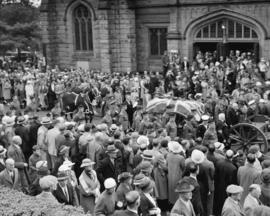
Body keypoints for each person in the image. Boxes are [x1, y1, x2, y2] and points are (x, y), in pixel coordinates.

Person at [213, 150, 238, 216]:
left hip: (217, 186)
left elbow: (215, 175)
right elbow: (233, 182)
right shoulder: (233, 168)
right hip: (226, 189)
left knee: (217, 202)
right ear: (232, 157)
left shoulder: (218, 162)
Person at [167, 141, 185, 205]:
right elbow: (184, 167)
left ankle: (171, 204)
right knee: (177, 192)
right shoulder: (181, 158)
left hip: (170, 176)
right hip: (178, 176)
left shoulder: (168, 156)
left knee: (171, 191)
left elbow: (166, 165)